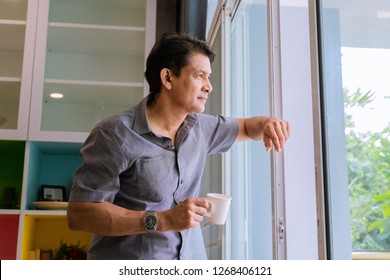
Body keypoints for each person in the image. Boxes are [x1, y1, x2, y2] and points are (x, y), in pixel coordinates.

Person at [67, 32, 291, 260]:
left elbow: (245, 127)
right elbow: (80, 213)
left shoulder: (201, 128)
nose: (209, 87)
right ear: (168, 78)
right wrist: (162, 220)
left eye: (209, 77)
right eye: (200, 76)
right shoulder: (115, 133)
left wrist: (267, 124)